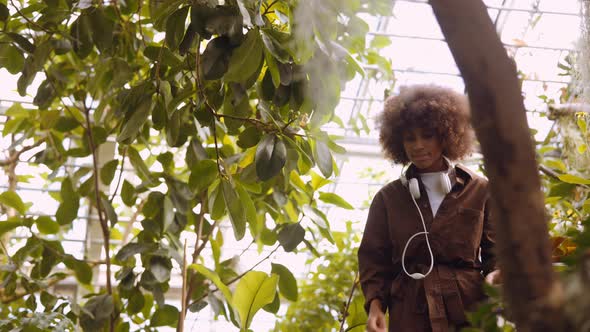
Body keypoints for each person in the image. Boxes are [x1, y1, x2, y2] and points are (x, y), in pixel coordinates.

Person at [358, 84, 501, 332]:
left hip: (469, 311)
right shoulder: (388, 199)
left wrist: (496, 276)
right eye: (409, 138)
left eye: (427, 135)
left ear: (446, 135)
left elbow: (496, 251)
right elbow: (374, 261)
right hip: (410, 314)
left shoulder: (480, 190)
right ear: (398, 142)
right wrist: (375, 307)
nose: (418, 145)